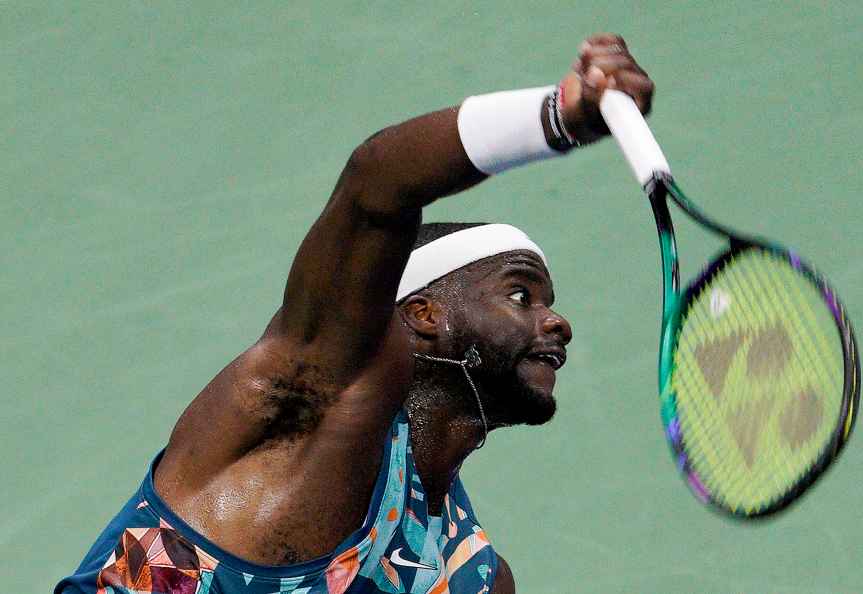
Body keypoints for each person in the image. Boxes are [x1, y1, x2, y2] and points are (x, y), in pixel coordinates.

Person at [55, 33, 654, 594]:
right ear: (420, 314)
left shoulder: (472, 577)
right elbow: (377, 183)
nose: (558, 323)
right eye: (521, 295)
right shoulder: (313, 401)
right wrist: (556, 115)